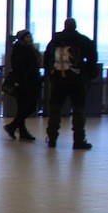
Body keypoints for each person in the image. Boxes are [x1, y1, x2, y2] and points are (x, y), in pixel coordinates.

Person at [42, 18, 98, 149]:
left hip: (58, 80)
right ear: (75, 26)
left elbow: (47, 59)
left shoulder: (55, 41)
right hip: (77, 81)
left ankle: (52, 138)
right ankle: (78, 139)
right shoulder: (83, 40)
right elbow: (92, 59)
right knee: (78, 110)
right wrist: (89, 75)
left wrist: (51, 75)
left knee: (55, 110)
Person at [3, 30, 42, 141]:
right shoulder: (20, 51)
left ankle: (19, 129)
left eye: (30, 36)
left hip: (30, 82)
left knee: (24, 108)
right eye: (27, 37)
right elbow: (20, 68)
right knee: (28, 107)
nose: (30, 39)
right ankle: (14, 127)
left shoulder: (29, 49)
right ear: (22, 39)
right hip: (25, 84)